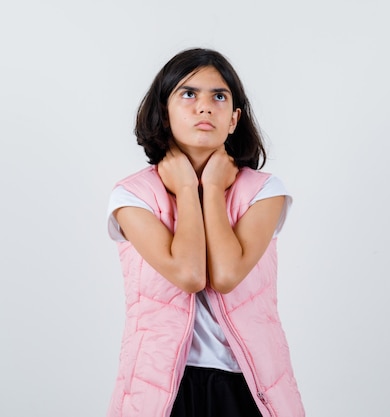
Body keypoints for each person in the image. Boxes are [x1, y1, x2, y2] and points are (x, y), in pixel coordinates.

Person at [106, 48, 305, 417]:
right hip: (162, 388)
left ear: (233, 119)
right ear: (163, 113)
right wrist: (185, 189)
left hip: (247, 384)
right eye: (188, 93)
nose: (204, 106)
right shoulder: (132, 196)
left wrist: (211, 189)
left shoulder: (264, 191)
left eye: (219, 96)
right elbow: (191, 275)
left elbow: (226, 275)